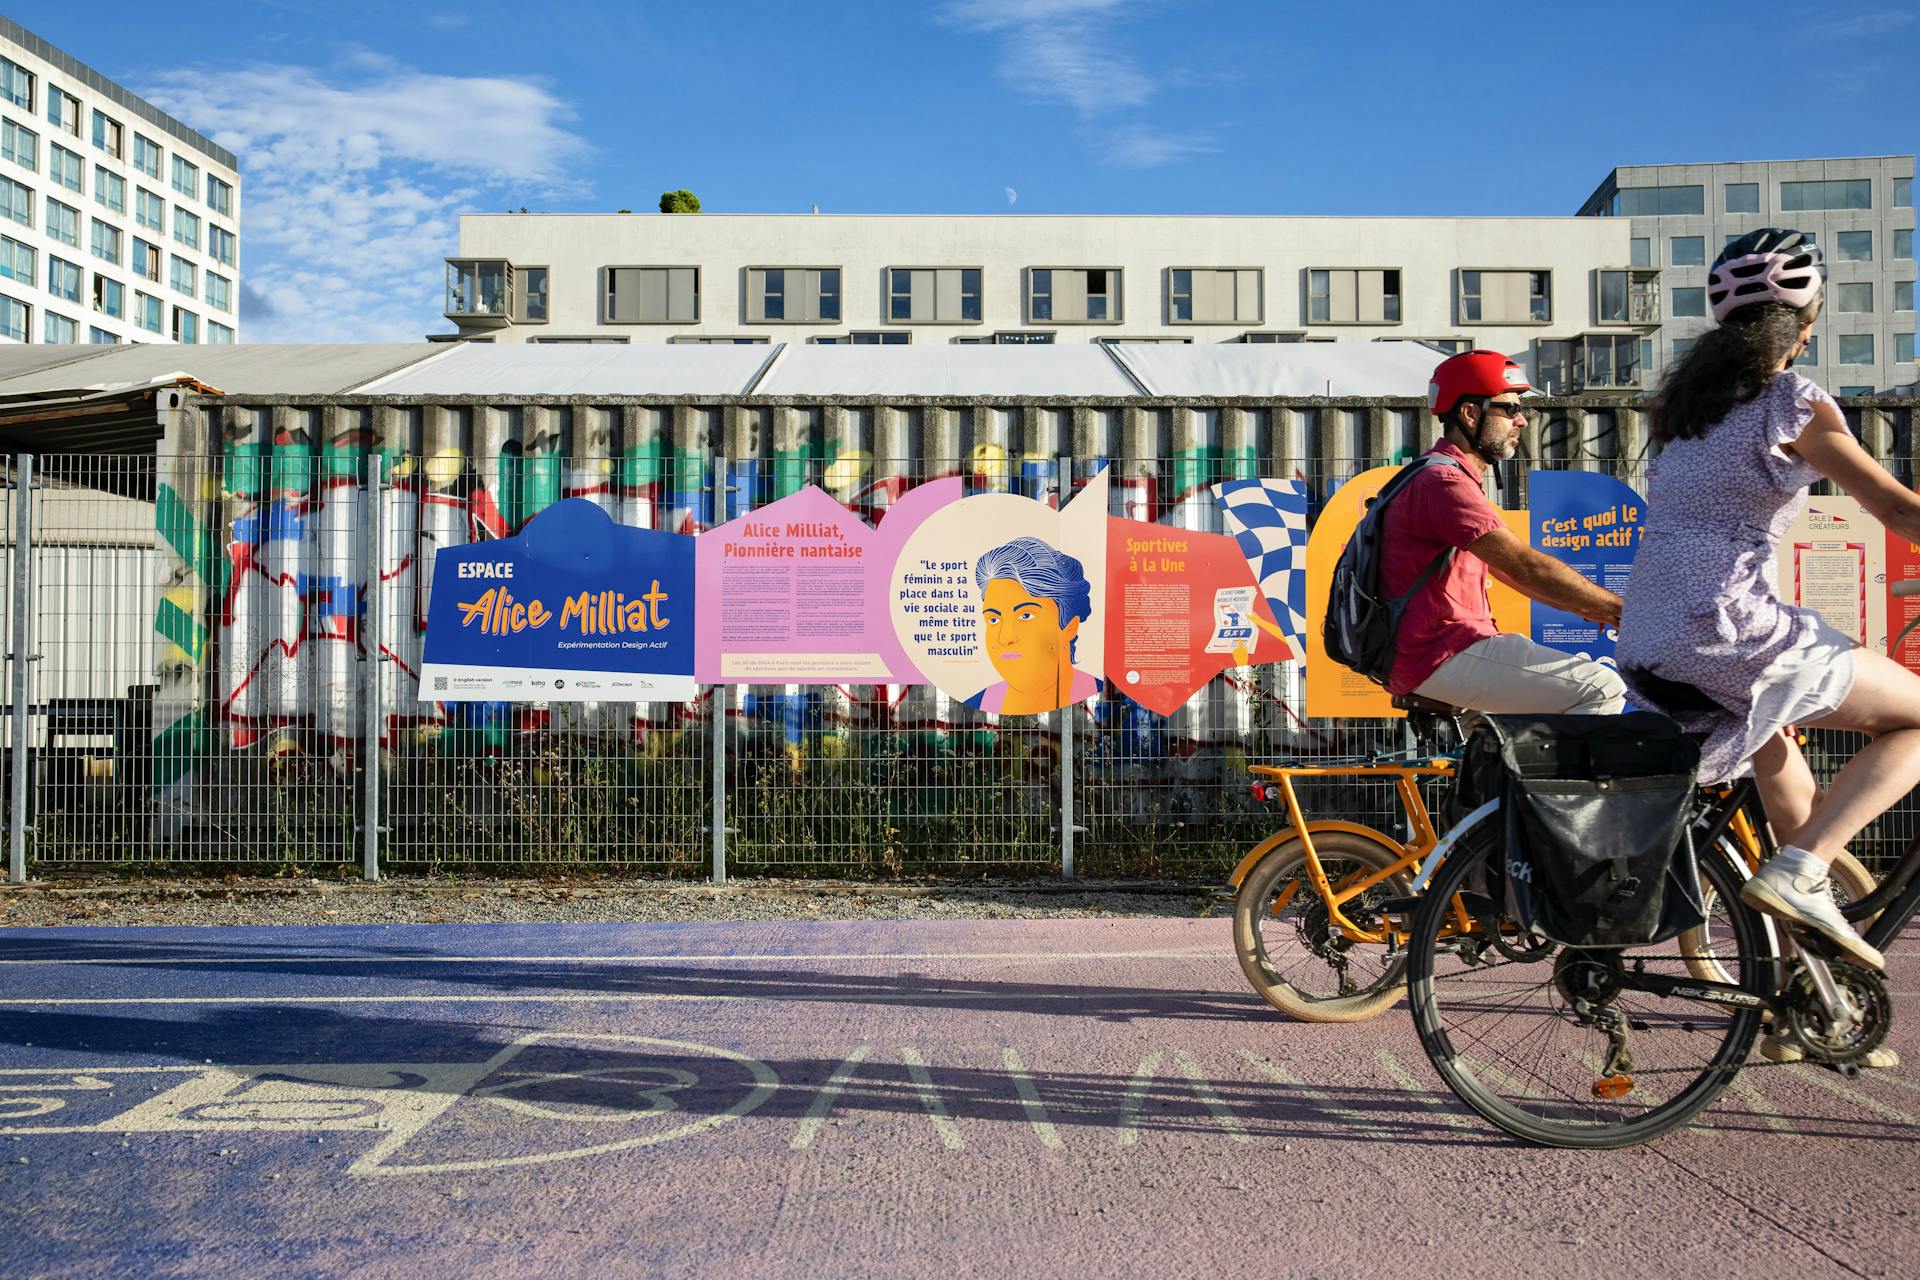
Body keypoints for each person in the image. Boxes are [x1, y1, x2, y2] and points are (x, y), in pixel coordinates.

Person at [1619, 228, 1920, 1045]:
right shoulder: (1793, 401)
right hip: (1726, 625)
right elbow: (1893, 507)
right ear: (1808, 321)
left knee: (1778, 759)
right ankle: (1807, 868)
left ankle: (1803, 1002)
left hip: (1651, 634)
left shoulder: (1681, 413)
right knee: (1918, 717)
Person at [1378, 350, 1627, 714]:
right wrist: (1625, 610)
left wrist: (1585, 606)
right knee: (1602, 688)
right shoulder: (1444, 483)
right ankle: (1556, 775)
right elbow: (1527, 566)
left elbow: (1510, 573)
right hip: (1442, 652)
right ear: (1469, 413)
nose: (1522, 421)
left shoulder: (1440, 474)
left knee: (1508, 742)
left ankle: (1502, 771)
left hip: (1432, 653)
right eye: (1510, 409)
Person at [965, 536, 1104, 714]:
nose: (1005, 637)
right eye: (993, 619)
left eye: (1025, 615)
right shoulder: (975, 705)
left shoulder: (1100, 696)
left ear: (1070, 626)